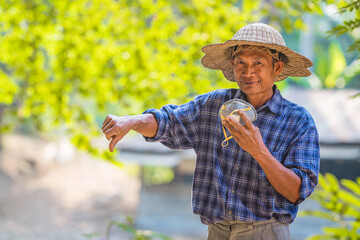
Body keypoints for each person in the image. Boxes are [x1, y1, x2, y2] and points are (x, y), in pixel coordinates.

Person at [102, 23, 320, 239]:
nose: (248, 71)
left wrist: (258, 150)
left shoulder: (298, 121)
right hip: (217, 232)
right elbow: (168, 123)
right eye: (240, 63)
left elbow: (296, 191)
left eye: (258, 63)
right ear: (233, 66)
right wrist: (130, 121)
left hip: (265, 232)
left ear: (277, 68)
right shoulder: (213, 104)